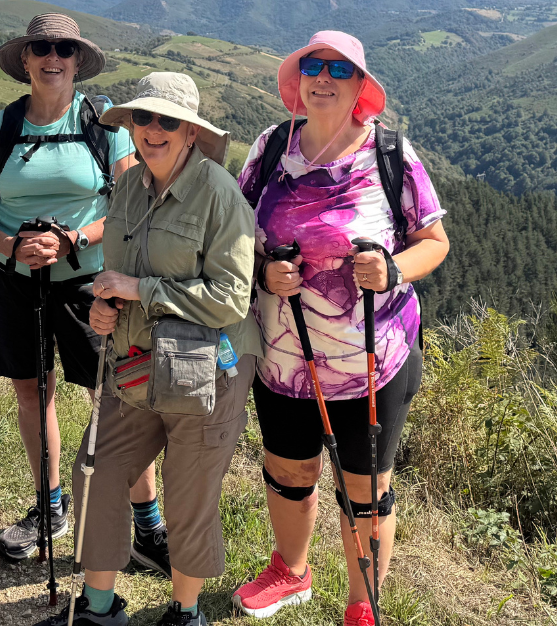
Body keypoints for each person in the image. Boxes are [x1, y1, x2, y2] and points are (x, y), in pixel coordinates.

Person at [231, 31, 450, 626]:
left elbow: (434, 241)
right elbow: (235, 232)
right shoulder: (271, 148)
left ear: (360, 86)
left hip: (373, 361)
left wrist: (393, 270)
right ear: (298, 80)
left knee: (366, 487)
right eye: (312, 67)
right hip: (284, 354)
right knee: (288, 470)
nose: (323, 78)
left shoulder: (390, 154)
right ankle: (291, 572)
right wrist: (262, 268)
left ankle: (362, 603)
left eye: (339, 69)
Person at [48, 72, 260, 626]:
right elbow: (118, 275)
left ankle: (185, 612)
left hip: (208, 369)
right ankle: (98, 609)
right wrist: (106, 308)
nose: (154, 129)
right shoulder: (127, 188)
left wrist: (140, 290)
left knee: (188, 493)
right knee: (98, 469)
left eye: (169, 120)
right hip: (136, 362)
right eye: (143, 117)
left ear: (191, 132)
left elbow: (232, 299)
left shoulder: (219, 194)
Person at [0, 14, 168, 572]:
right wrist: (12, 246)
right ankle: (50, 506)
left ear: (78, 61)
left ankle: (146, 523)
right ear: (26, 59)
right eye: (42, 47)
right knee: (33, 392)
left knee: (116, 399)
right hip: (12, 280)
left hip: (90, 283)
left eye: (64, 49)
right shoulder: (3, 127)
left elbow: (130, 209)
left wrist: (75, 238)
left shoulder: (105, 125)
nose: (53, 57)